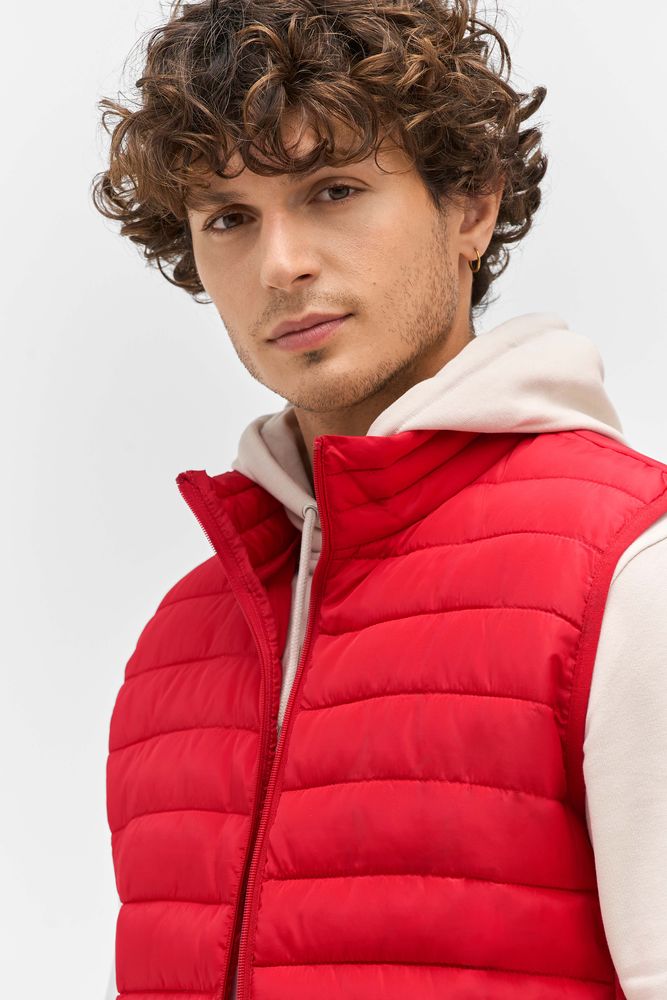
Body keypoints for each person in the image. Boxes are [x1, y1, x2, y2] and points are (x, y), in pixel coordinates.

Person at [92, 1, 667, 998]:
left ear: (470, 206)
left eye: (334, 190)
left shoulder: (629, 576)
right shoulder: (181, 641)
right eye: (228, 217)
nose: (281, 265)